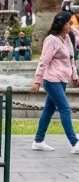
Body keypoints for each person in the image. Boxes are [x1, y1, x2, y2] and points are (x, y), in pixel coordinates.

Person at [31, 10, 79, 153]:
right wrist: (37, 81)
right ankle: (74, 142)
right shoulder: (51, 40)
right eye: (68, 22)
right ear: (62, 24)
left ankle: (38, 141)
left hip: (62, 79)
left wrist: (74, 74)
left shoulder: (67, 38)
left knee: (49, 109)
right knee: (65, 109)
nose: (71, 24)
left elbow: (71, 58)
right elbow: (43, 61)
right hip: (52, 80)